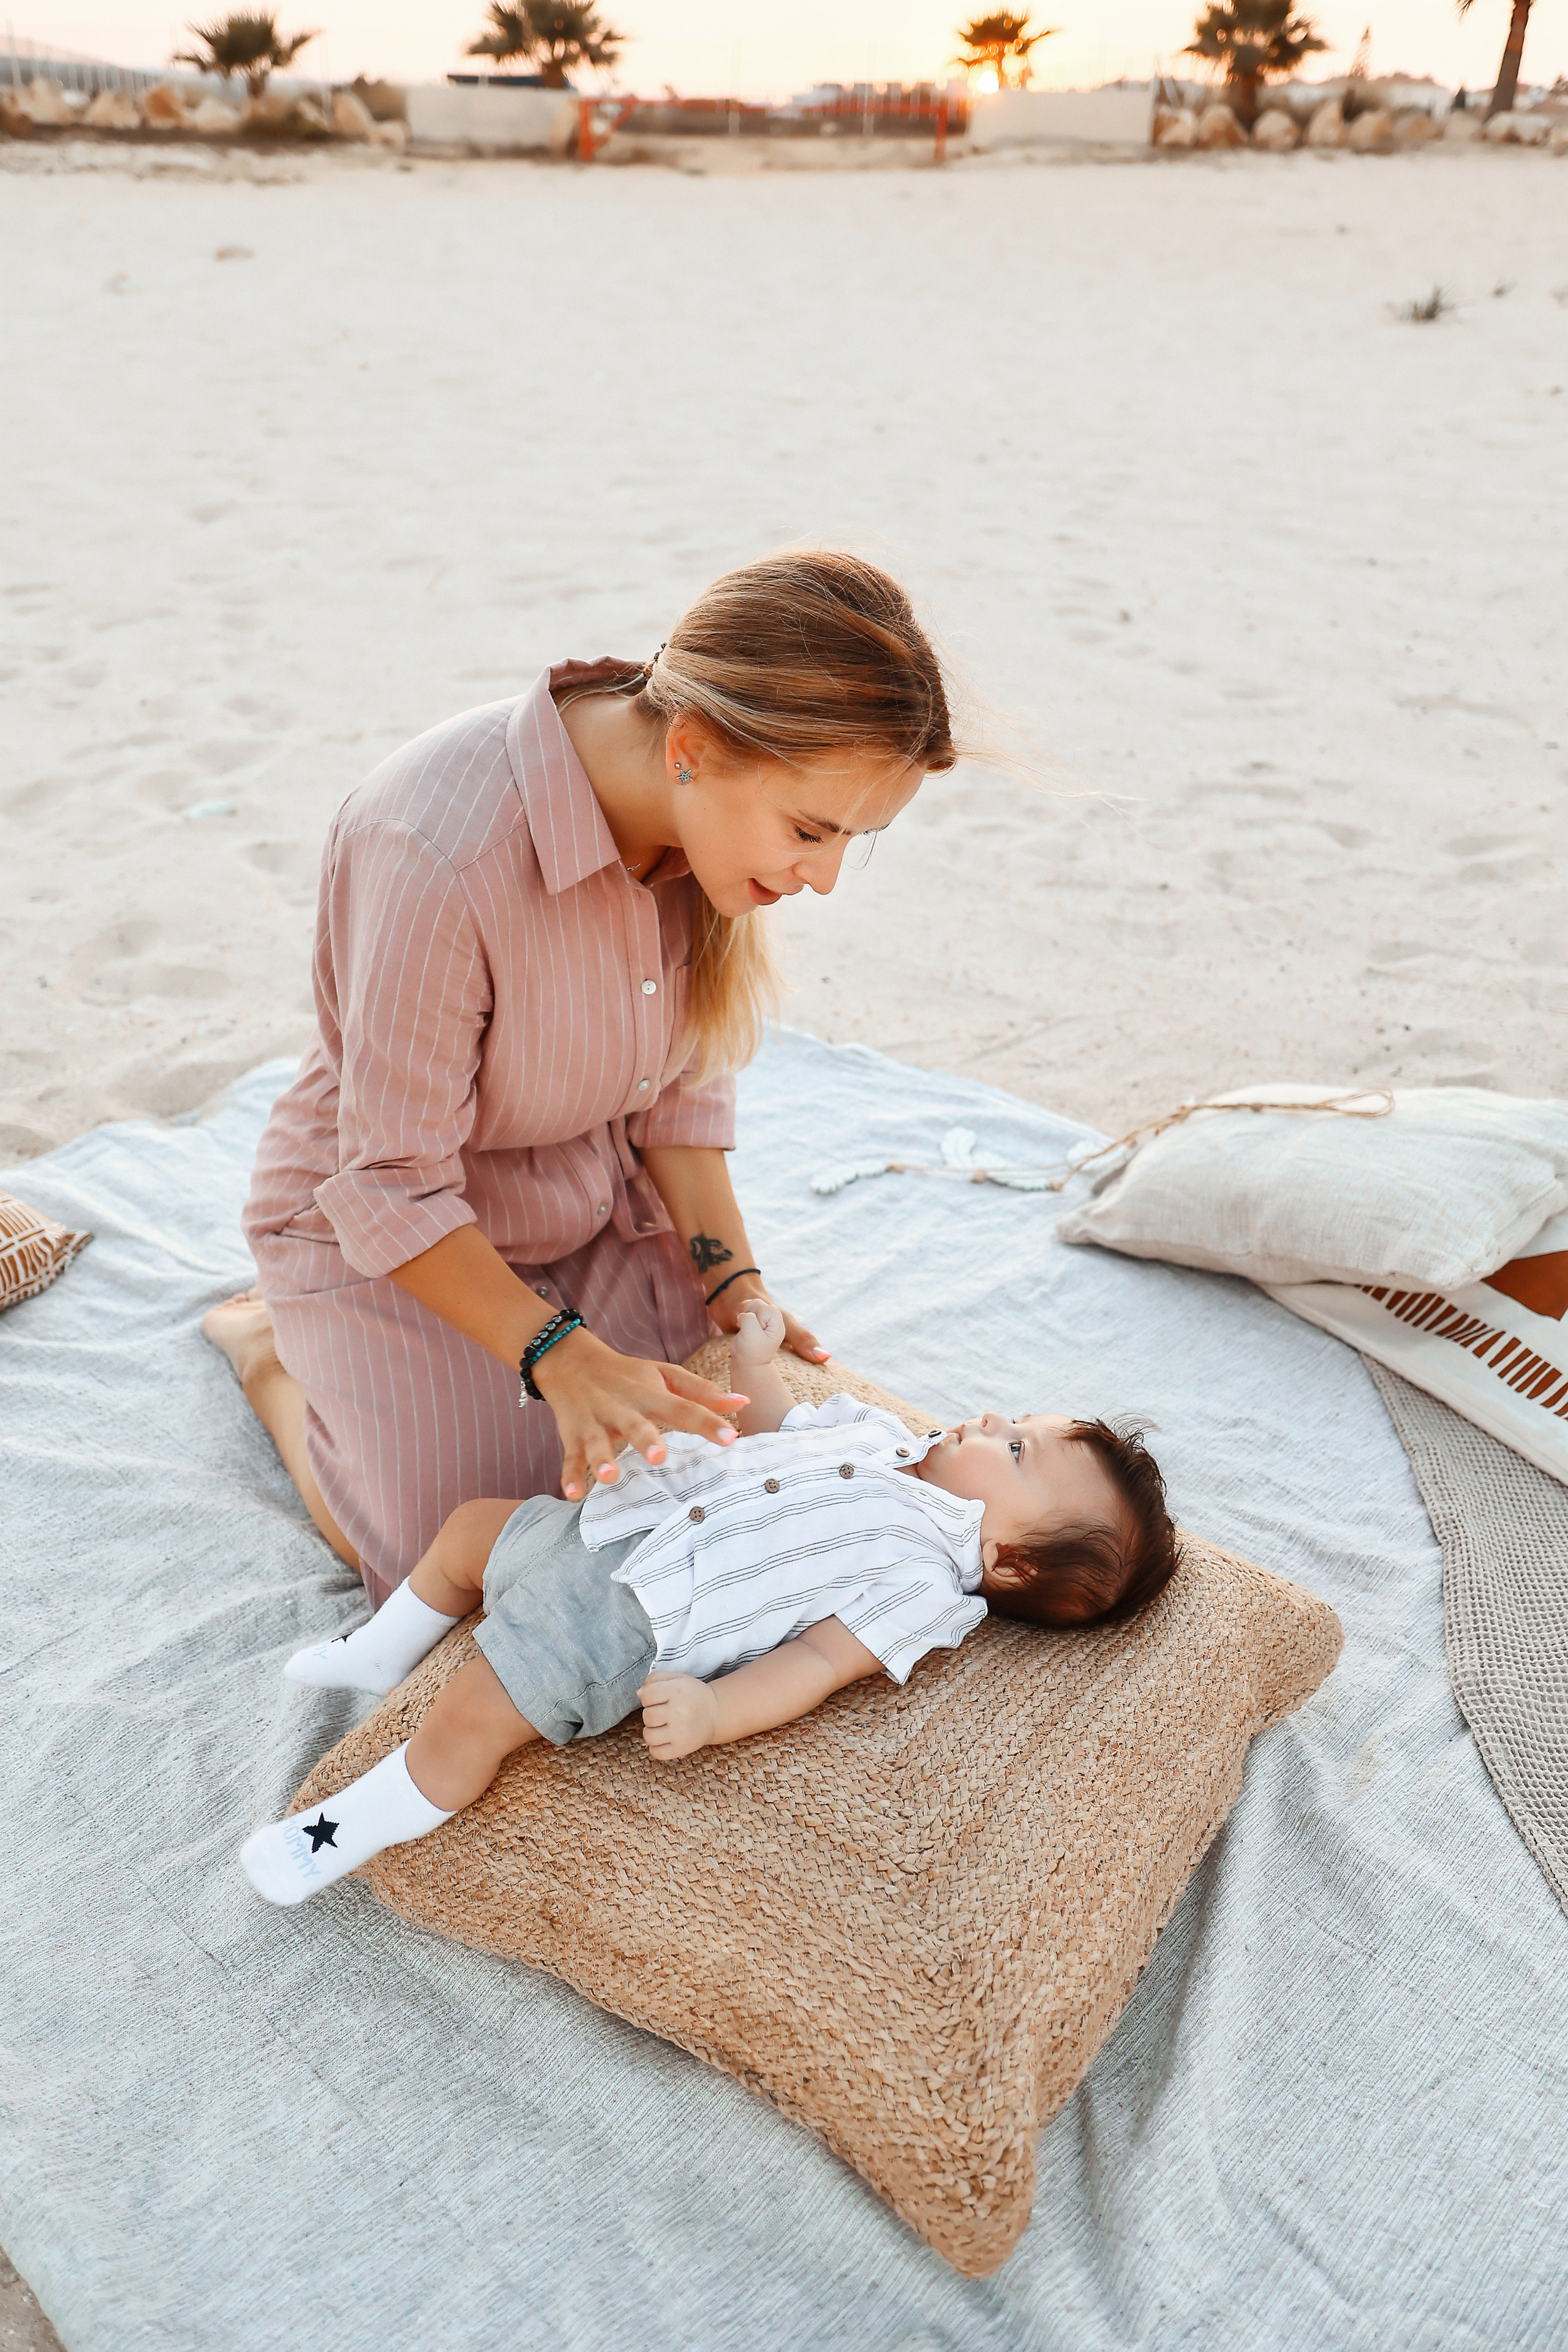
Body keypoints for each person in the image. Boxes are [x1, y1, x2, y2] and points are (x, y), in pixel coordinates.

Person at [203, 554, 954, 1608]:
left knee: (689, 1480)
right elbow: (389, 1179)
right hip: (392, 1223)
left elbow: (682, 1086)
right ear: (692, 749)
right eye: (810, 831)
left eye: (853, 843)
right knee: (469, 1558)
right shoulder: (430, 844)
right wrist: (561, 1353)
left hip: (589, 1198)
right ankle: (266, 1349)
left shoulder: (697, 829)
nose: (823, 879)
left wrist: (734, 1280)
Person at [241, 1305, 1182, 1905]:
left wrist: (714, 1710)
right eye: (1019, 1419)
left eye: (1016, 1451)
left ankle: (337, 1834)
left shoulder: (924, 1583)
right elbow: (774, 1430)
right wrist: (757, 1364)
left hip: (633, 1620)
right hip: (613, 1520)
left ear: (1007, 1561)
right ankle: (383, 1649)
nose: (995, 1421)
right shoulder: (881, 1437)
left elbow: (818, 1663)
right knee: (464, 1536)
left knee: (474, 1712)